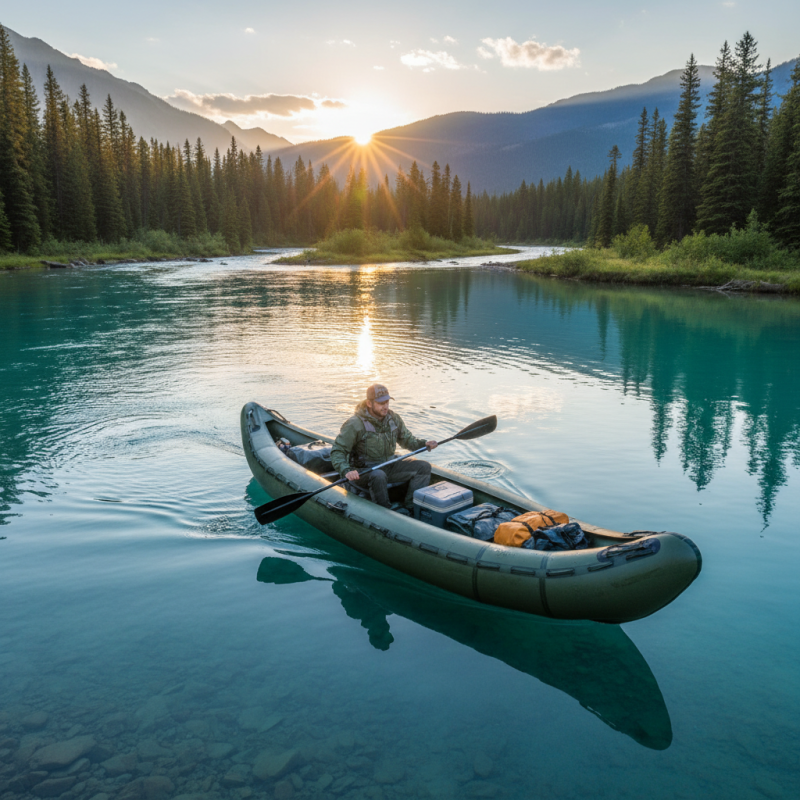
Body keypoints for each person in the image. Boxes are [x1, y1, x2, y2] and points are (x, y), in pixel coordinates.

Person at [331, 384, 437, 514]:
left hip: (388, 466)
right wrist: (346, 470)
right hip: (362, 472)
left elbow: (408, 440)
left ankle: (411, 508)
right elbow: (338, 450)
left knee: (424, 467)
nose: (385, 406)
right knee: (378, 476)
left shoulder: (394, 419)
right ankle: (386, 513)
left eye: (387, 402)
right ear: (369, 403)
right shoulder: (355, 424)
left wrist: (424, 444)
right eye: (381, 403)